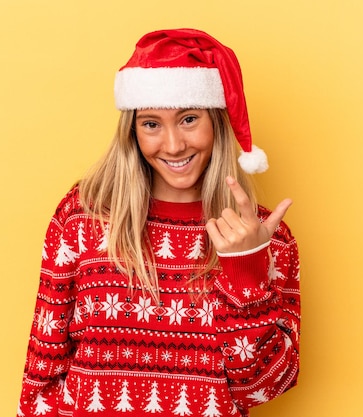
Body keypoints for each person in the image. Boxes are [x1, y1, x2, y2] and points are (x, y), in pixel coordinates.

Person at [17, 28, 300, 417]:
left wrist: (246, 270)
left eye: (188, 119)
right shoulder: (83, 217)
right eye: (151, 124)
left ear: (217, 122)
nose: (172, 145)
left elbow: (263, 388)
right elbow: (42, 368)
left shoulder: (266, 237)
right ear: (132, 132)